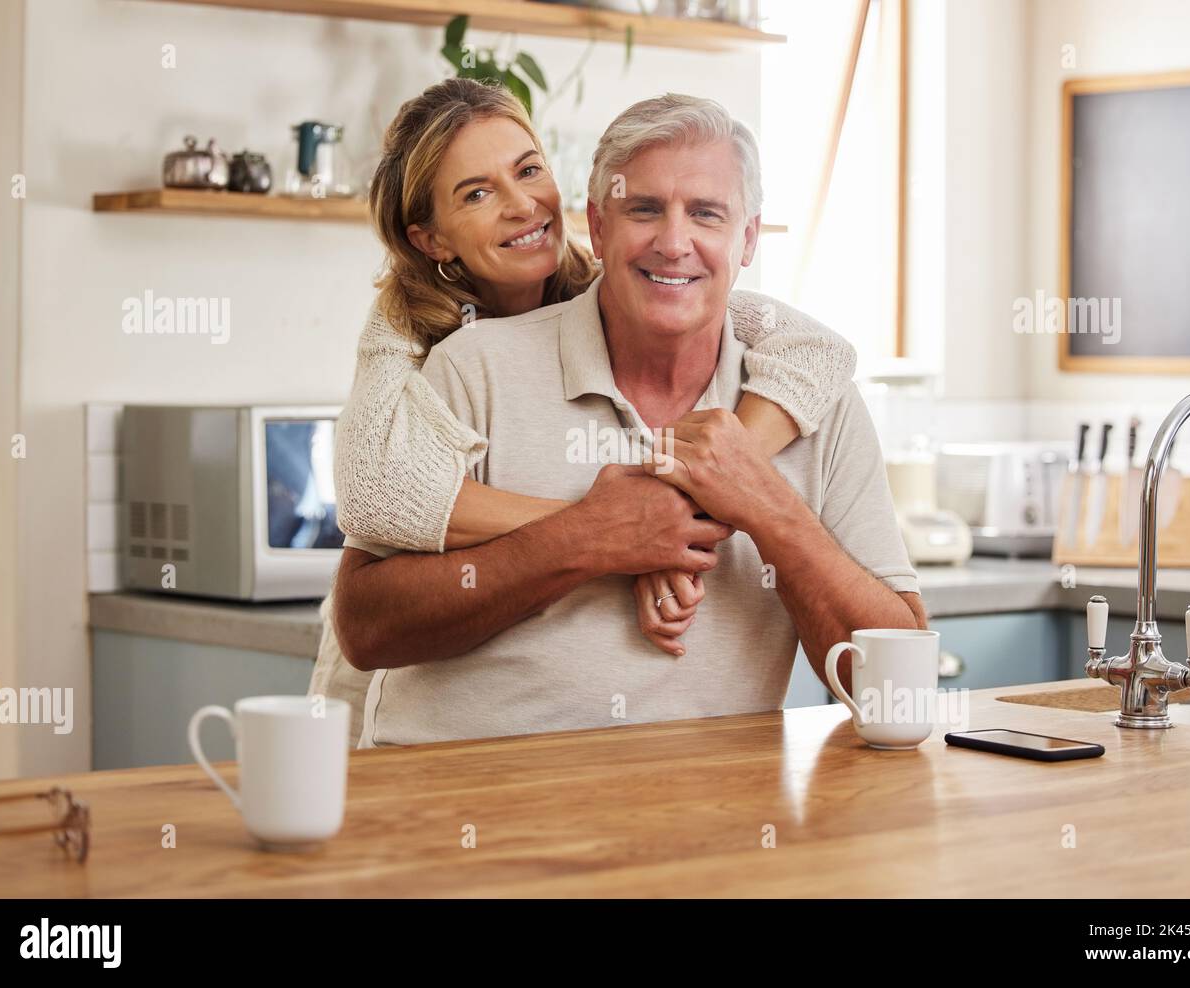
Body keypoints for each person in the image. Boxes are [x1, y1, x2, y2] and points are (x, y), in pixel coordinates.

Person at [330, 93, 924, 748]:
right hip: (467, 816)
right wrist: (592, 536)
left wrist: (762, 503)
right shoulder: (460, 363)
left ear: (748, 237)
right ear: (600, 226)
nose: (674, 243)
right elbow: (365, 623)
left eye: (706, 213)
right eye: (643, 209)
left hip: (705, 826)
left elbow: (900, 692)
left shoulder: (809, 398)